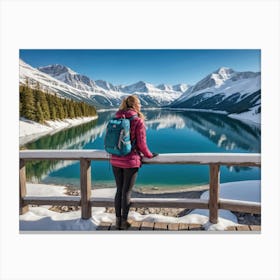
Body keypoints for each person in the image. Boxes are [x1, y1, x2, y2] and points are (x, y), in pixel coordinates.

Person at [110, 95, 158, 230]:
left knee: (119, 190)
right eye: (140, 103)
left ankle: (118, 221)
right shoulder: (138, 121)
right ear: (135, 105)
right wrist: (149, 155)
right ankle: (124, 222)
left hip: (115, 158)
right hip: (130, 161)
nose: (141, 106)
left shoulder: (116, 117)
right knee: (126, 192)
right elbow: (142, 145)